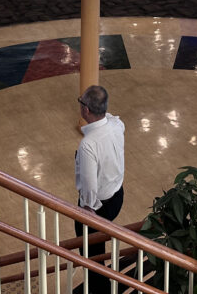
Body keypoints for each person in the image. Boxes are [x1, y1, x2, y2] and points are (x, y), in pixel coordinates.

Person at [74, 85, 125, 294]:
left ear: (86, 110)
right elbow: (111, 117)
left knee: (90, 254)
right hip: (117, 196)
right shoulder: (116, 124)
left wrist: (87, 212)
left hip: (98, 206)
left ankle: (98, 287)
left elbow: (89, 187)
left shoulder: (88, 145)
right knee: (99, 246)